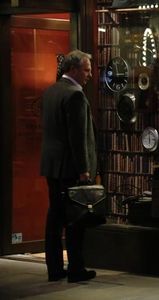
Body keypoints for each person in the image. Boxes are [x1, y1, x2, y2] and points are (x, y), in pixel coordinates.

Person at [40, 49, 97, 283]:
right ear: (72, 69)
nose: (90, 75)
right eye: (86, 70)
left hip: (52, 166)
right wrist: (84, 169)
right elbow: (77, 137)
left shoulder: (51, 91)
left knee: (54, 217)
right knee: (76, 220)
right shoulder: (75, 95)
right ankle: (76, 269)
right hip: (70, 168)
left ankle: (54, 268)